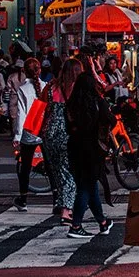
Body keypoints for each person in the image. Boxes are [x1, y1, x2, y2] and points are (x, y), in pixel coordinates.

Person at [65, 57, 112, 238]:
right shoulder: (97, 102)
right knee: (86, 187)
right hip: (93, 149)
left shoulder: (72, 104)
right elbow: (110, 119)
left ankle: (102, 222)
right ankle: (76, 225)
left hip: (74, 147)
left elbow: (68, 127)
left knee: (88, 185)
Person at [41, 58, 80, 224]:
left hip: (49, 132)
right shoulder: (76, 89)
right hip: (67, 133)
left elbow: (41, 107)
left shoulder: (50, 87)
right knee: (70, 171)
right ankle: (66, 209)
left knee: (57, 170)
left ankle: (61, 201)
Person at [13, 57, 47, 211]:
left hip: (29, 131)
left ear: (24, 71)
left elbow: (21, 113)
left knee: (25, 167)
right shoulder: (45, 86)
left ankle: (23, 199)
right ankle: (57, 200)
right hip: (43, 131)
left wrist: (17, 135)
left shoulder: (23, 89)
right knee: (50, 166)